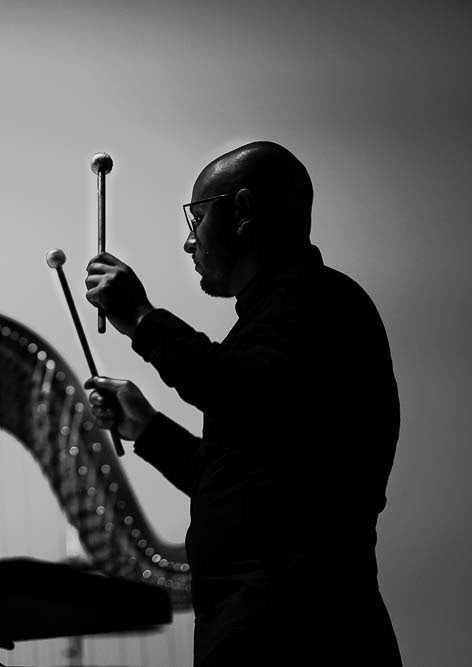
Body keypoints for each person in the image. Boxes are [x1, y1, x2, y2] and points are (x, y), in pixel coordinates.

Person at [83, 141, 401, 666]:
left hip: (300, 631)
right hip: (273, 623)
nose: (190, 241)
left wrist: (140, 318)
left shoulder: (319, 302)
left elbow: (236, 389)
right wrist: (150, 430)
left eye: (198, 217)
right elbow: (242, 482)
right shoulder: (279, 316)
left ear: (243, 211)